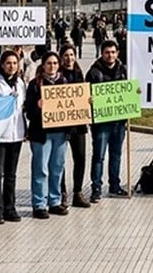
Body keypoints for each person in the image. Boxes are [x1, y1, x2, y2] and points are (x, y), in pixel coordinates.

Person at [24, 51, 70, 219]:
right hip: (41, 134)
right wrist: (37, 107)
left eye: (55, 63)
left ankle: (55, 201)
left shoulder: (64, 83)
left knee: (57, 168)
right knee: (41, 169)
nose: (52, 66)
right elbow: (29, 111)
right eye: (49, 63)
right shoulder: (35, 84)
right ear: (43, 65)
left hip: (60, 133)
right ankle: (39, 204)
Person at [0, 50, 26, 224]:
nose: (12, 66)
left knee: (11, 174)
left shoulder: (20, 83)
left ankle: (10, 208)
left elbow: (23, 107)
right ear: (2, 65)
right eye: (8, 63)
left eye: (15, 63)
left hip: (16, 134)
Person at [87, 40, 129, 202]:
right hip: (101, 122)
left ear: (117, 53)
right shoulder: (93, 72)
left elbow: (129, 91)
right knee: (99, 155)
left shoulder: (124, 70)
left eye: (113, 52)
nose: (110, 55)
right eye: (107, 52)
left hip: (119, 121)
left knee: (116, 154)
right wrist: (89, 100)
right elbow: (86, 94)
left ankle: (114, 186)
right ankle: (96, 188)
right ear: (102, 54)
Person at [60, 44, 90, 208]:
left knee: (80, 157)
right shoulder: (58, 75)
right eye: (66, 55)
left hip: (78, 124)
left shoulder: (79, 73)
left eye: (71, 55)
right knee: (60, 160)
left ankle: (77, 191)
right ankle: (62, 192)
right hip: (61, 124)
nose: (69, 58)